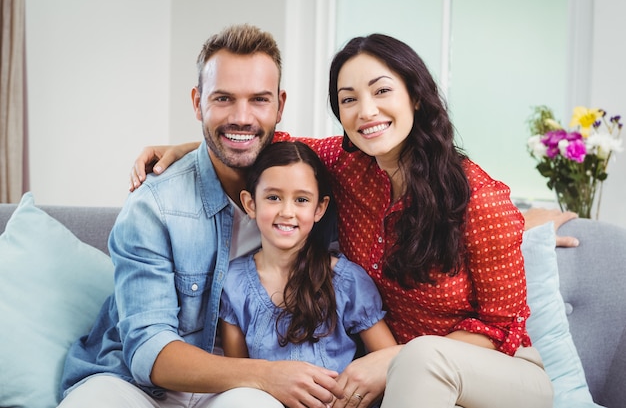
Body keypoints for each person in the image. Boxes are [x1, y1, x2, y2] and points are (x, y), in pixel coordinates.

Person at [129, 32, 567, 408]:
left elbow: (502, 329)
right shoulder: (348, 167)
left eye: (381, 91)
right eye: (348, 100)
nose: (367, 112)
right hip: (409, 385)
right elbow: (263, 142)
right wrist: (187, 147)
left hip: (497, 374)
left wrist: (390, 360)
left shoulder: (480, 199)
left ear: (414, 94)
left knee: (422, 360)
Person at [58, 24, 347, 408]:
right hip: (134, 382)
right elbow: (148, 349)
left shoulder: (312, 190)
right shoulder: (154, 206)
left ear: (279, 104)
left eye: (259, 100)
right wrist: (265, 374)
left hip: (237, 391)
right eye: (224, 99)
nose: (242, 117)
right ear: (198, 102)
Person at [219, 140, 397, 384]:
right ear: (251, 204)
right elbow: (238, 380)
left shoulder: (347, 281)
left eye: (301, 200)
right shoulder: (233, 282)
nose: (287, 212)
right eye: (273, 197)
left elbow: (390, 362)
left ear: (319, 208)